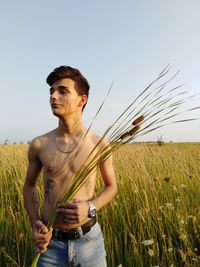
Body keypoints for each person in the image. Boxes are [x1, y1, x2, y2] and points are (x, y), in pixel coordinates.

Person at [23, 66, 117, 267]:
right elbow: (29, 186)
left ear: (82, 100)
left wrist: (90, 208)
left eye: (62, 91)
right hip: (49, 245)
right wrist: (35, 223)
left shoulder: (99, 144)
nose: (53, 96)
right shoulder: (39, 144)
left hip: (89, 242)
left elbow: (111, 187)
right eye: (51, 91)